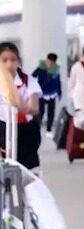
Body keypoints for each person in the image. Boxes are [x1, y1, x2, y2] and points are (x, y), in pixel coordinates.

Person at [0, 42, 43, 172]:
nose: (9, 64)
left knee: (26, 169)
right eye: (4, 60)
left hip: (24, 129)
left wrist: (17, 101)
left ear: (18, 61)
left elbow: (34, 108)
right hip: (2, 127)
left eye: (13, 60)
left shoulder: (29, 81)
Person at [31, 52, 62, 134]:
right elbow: (32, 77)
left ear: (55, 62)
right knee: (40, 112)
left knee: (51, 113)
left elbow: (58, 82)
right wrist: (34, 90)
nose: (50, 64)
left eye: (52, 63)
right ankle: (36, 127)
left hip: (52, 95)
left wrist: (59, 92)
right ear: (46, 60)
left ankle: (49, 129)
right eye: (49, 62)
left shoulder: (56, 70)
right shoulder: (40, 68)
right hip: (42, 94)